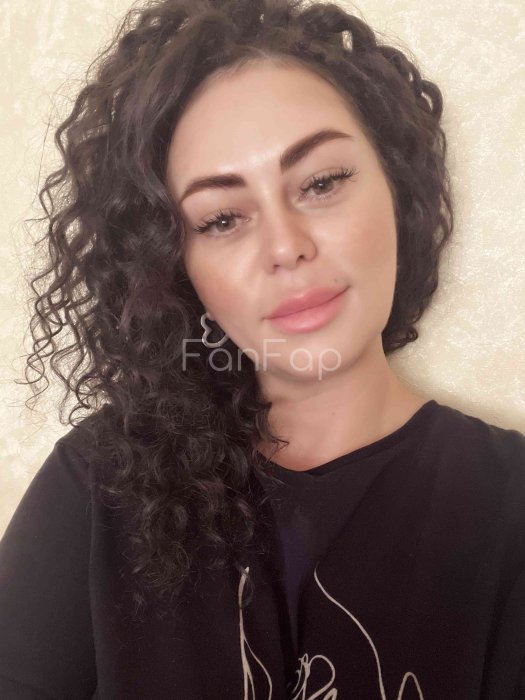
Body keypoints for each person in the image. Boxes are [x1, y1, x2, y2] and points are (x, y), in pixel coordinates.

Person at [1, 0, 524, 697]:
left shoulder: (509, 507)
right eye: (221, 219)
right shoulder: (100, 483)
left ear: (398, 190)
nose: (285, 246)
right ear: (175, 267)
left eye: (321, 183)